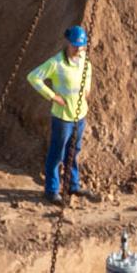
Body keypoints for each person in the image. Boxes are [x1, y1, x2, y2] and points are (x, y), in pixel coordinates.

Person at [26, 27, 99, 206]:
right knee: (57, 154)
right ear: (67, 43)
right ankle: (51, 191)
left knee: (74, 151)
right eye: (75, 45)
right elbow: (33, 77)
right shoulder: (56, 63)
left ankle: (73, 185)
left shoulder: (84, 60)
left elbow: (88, 73)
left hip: (79, 116)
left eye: (81, 46)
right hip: (62, 118)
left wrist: (87, 88)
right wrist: (52, 96)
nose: (78, 49)